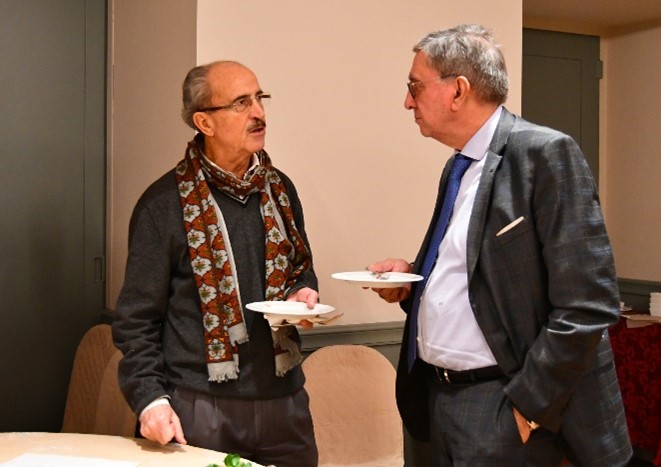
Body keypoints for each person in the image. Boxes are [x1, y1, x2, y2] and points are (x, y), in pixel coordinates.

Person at [368, 24, 632, 466]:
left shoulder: (544, 153)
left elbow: (588, 303)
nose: (408, 102)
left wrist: (528, 407)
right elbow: (479, 275)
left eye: (415, 86)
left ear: (458, 90)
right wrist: (414, 280)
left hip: (502, 403)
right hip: (437, 398)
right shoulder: (458, 167)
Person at [112, 60, 319, 467]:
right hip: (199, 407)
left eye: (259, 98)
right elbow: (136, 319)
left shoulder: (280, 190)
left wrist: (303, 292)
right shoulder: (163, 204)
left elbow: (301, 267)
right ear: (204, 122)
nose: (258, 112)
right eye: (241, 103)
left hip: (284, 401)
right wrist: (150, 399)